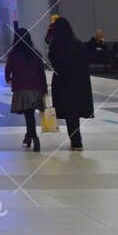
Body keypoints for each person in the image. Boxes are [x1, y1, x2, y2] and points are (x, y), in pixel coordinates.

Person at [45, 15, 93, 151]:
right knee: (75, 112)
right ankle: (76, 140)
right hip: (78, 82)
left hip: (63, 83)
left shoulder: (55, 46)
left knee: (69, 112)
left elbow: (54, 62)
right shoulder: (78, 44)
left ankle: (75, 140)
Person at [3, 26, 48, 152]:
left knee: (28, 115)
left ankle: (34, 137)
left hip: (21, 89)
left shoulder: (13, 54)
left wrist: (9, 79)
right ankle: (28, 137)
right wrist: (44, 90)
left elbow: (8, 71)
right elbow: (41, 72)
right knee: (30, 114)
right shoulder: (36, 53)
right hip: (36, 88)